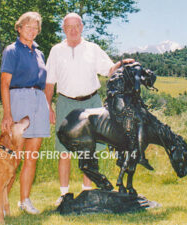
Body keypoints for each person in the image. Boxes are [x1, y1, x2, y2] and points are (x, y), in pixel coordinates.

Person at [44, 12, 134, 205]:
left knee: (90, 151)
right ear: (64, 30)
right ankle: (63, 194)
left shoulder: (93, 49)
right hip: (66, 104)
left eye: (77, 26)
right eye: (69, 27)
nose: (73, 30)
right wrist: (48, 107)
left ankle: (87, 191)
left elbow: (109, 70)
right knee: (64, 151)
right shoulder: (56, 51)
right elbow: (49, 83)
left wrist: (121, 64)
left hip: (91, 104)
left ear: (82, 27)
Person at [0, 11, 50, 214]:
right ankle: (1, 203)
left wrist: (48, 105)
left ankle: (24, 201)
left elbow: (44, 82)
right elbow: (4, 83)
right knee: (15, 158)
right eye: (28, 26)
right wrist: (7, 114)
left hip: (39, 101)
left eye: (36, 27)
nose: (32, 30)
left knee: (32, 156)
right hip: (18, 99)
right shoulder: (12, 51)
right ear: (19, 28)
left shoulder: (40, 53)